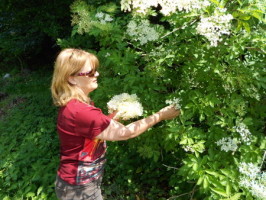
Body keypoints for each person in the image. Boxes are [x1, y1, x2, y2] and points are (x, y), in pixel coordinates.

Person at [51, 48, 180, 200]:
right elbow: (126, 133)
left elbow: (93, 131)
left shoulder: (76, 105)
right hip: (79, 189)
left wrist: (112, 118)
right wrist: (161, 115)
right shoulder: (81, 111)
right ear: (71, 78)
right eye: (91, 73)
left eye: (96, 70)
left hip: (78, 184)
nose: (97, 74)